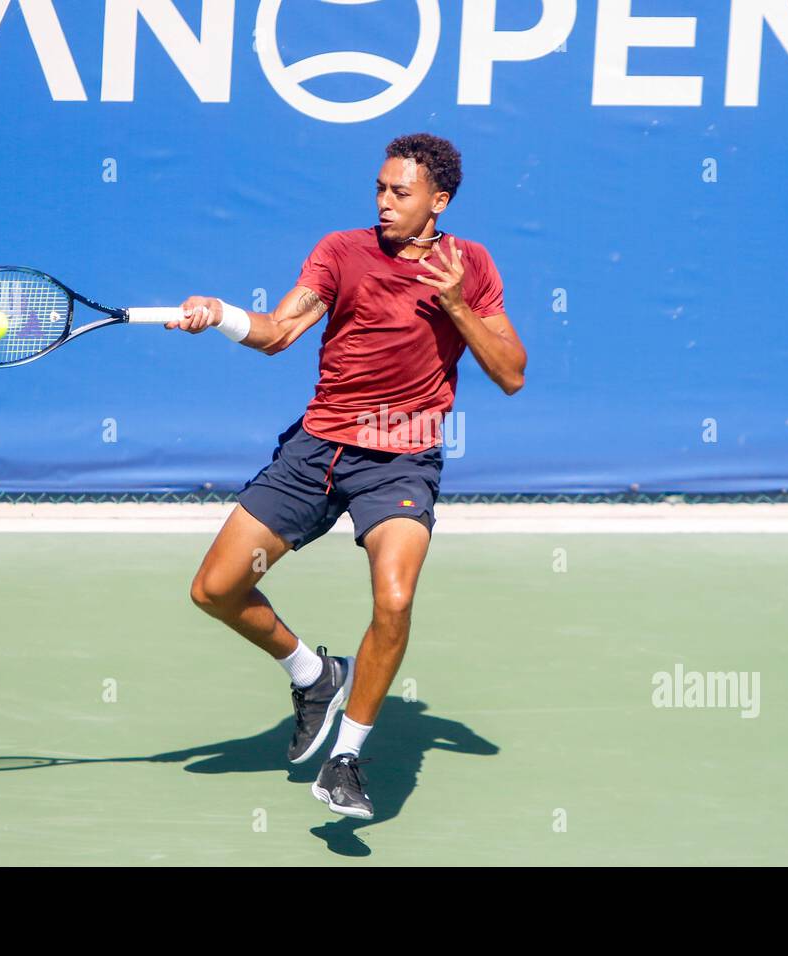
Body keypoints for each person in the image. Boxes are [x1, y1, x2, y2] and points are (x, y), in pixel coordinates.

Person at [167, 132, 526, 819]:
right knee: (216, 589)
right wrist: (220, 316)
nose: (385, 203)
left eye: (401, 192)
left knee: (393, 600)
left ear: (438, 201)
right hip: (316, 453)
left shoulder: (470, 265)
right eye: (380, 189)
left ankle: (347, 758)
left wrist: (454, 303)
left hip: (400, 459)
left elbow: (511, 373)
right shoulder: (341, 250)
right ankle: (313, 674)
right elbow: (277, 332)